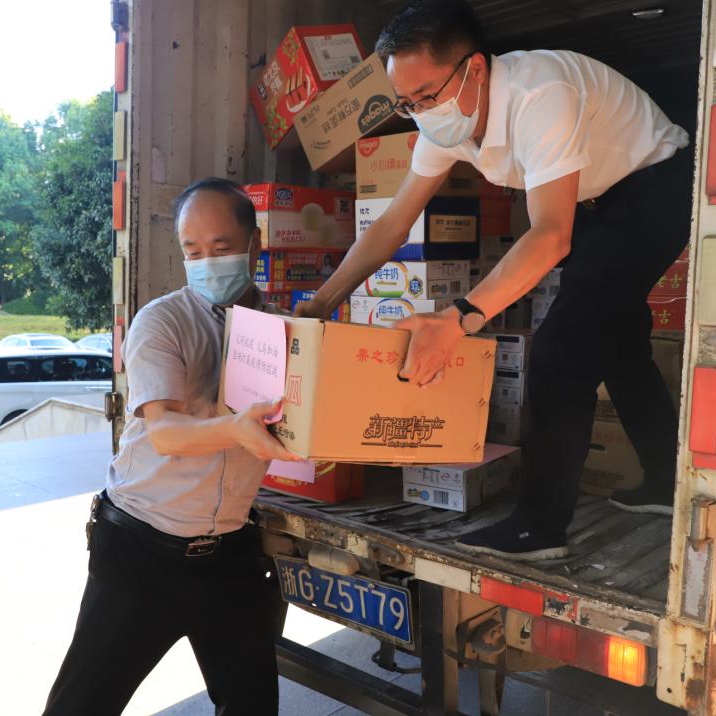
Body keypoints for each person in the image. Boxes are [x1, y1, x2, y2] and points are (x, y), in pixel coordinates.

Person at [297, 0, 693, 560]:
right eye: (406, 102)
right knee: (616, 341)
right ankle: (667, 481)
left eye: (426, 95)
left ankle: (539, 527)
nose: (420, 113)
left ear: (475, 69)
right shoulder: (445, 121)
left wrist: (458, 320)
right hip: (598, 200)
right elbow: (392, 223)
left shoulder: (540, 94)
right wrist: (322, 301)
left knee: (561, 352)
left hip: (654, 187)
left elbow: (551, 235)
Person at [44, 178, 298, 715]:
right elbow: (165, 433)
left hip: (229, 553)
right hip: (141, 550)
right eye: (193, 251)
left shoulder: (276, 330)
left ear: (253, 244)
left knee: (252, 706)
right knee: (82, 706)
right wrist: (235, 429)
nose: (207, 262)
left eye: (221, 247)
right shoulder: (162, 322)